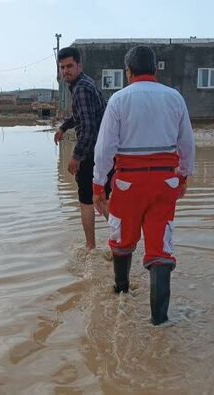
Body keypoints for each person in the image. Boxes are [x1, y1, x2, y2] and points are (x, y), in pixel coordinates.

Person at [92, 46, 195, 325]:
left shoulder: (118, 100)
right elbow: (187, 144)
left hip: (128, 185)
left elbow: (104, 150)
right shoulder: (175, 98)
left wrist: (98, 186)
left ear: (128, 72)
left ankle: (121, 292)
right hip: (164, 183)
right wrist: (183, 177)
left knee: (122, 241)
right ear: (155, 70)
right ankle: (160, 322)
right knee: (160, 250)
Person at [54, 47, 112, 252]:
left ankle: (91, 247)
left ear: (80, 66)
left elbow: (88, 128)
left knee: (87, 200)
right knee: (100, 198)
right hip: (103, 152)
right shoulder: (84, 84)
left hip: (92, 153)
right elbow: (82, 116)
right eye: (62, 67)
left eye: (70, 66)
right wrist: (64, 127)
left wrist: (76, 157)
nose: (66, 71)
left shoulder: (81, 88)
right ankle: (122, 237)